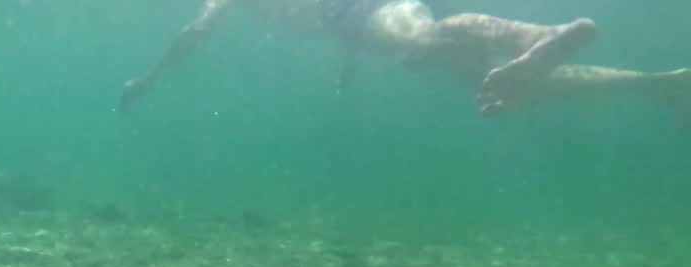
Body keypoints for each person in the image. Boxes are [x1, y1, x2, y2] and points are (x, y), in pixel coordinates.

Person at [117, 0, 691, 119]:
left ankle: (544, 32)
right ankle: (654, 85)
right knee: (501, 84)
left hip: (354, 11)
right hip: (353, 25)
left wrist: (148, 78)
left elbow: (197, 30)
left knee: (423, 37)